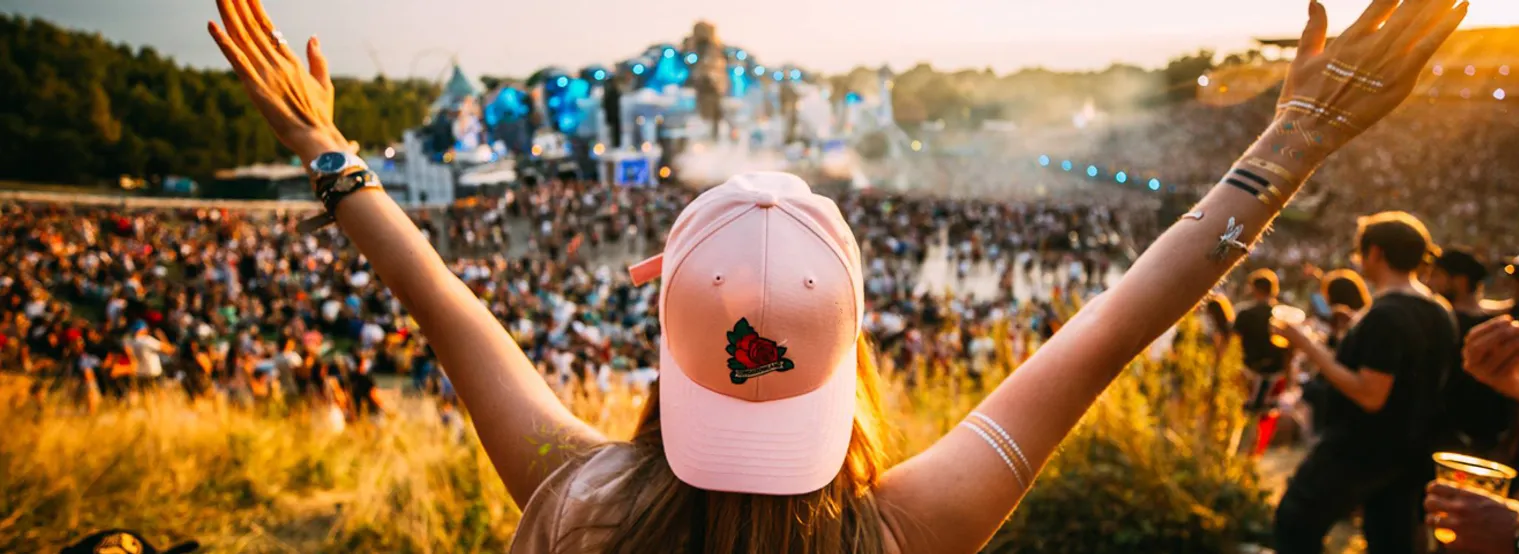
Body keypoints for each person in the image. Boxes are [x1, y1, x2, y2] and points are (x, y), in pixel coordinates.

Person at [207, 0, 1465, 550]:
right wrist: (1289, 144)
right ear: (852, 344)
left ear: (664, 339)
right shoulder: (908, 530)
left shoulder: (575, 505)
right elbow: (1113, 325)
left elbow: (446, 304)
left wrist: (329, 152)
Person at [1274, 212, 1462, 553]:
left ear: (1375, 252)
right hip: (1410, 453)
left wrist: (1305, 344)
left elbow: (1370, 394)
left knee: (1295, 521)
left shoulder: (1386, 314)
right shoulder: (1439, 310)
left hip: (1360, 449)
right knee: (1390, 543)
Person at [1426, 248, 1513, 456]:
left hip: (1456, 441)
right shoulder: (1495, 325)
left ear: (1460, 281)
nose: (1430, 283)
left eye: (1437, 275)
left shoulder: (1448, 325)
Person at [1233, 269, 1293, 456]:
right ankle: (1258, 452)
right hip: (1276, 373)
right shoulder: (1283, 315)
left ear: (1254, 289)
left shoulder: (1245, 314)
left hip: (1249, 371)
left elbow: (1234, 344)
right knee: (1267, 415)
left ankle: (1241, 454)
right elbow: (1290, 349)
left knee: (1246, 414)